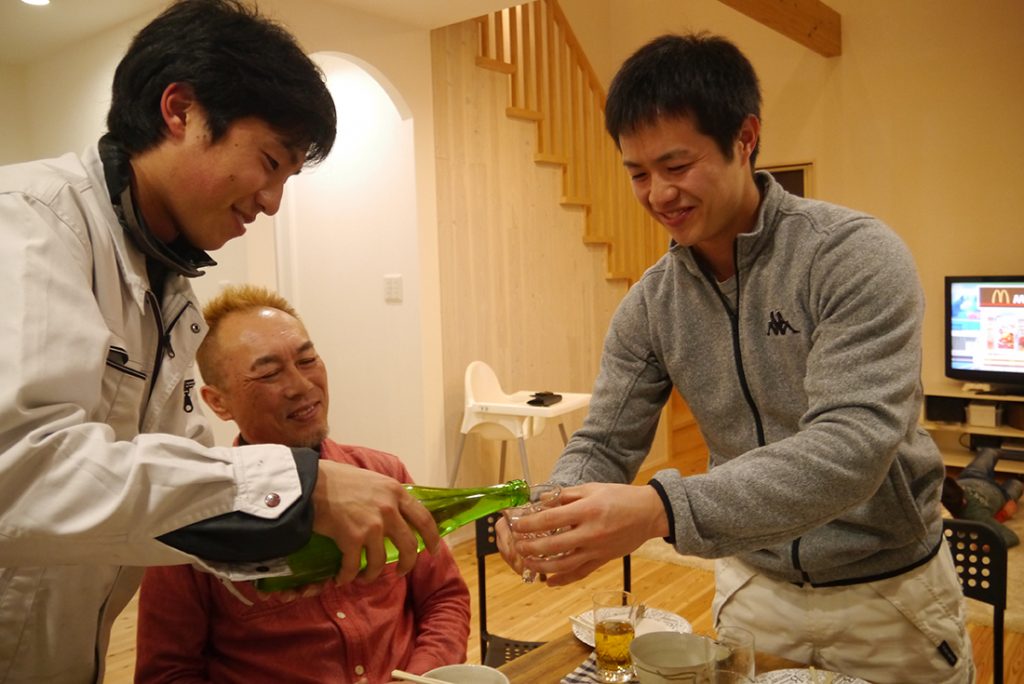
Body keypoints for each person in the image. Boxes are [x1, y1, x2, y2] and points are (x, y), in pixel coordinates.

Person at [497, 33, 974, 684]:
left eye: (676, 165)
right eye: (638, 173)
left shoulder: (850, 255)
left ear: (745, 138)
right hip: (754, 592)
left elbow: (851, 447)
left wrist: (661, 509)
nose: (658, 193)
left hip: (888, 597)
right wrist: (549, 512)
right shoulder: (653, 303)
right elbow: (603, 443)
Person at [0, 1, 440, 681]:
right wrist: (301, 489)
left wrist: (272, 553)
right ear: (180, 111)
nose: (272, 202)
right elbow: (25, 473)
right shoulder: (28, 223)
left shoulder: (169, 289)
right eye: (269, 162)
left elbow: (165, 483)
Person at [135, 285, 471, 684]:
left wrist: (421, 677)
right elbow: (167, 672)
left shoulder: (384, 475)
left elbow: (444, 597)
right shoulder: (195, 514)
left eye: (307, 360)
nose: (301, 385)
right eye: (268, 373)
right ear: (218, 402)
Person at [942, 447, 1023, 548]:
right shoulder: (976, 516)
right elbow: (1011, 537)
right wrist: (1003, 515)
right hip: (1002, 495)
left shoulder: (942, 491)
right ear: (963, 502)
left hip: (971, 475)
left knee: (989, 451)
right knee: (1017, 484)